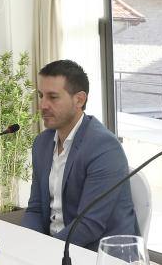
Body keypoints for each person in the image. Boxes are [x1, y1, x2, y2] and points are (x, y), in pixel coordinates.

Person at [21, 60, 138, 251]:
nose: (42, 105)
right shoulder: (42, 144)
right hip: (57, 250)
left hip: (101, 259)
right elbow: (35, 208)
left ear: (79, 100)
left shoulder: (104, 147)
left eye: (53, 97)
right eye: (41, 96)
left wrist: (44, 251)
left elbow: (88, 225)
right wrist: (28, 245)